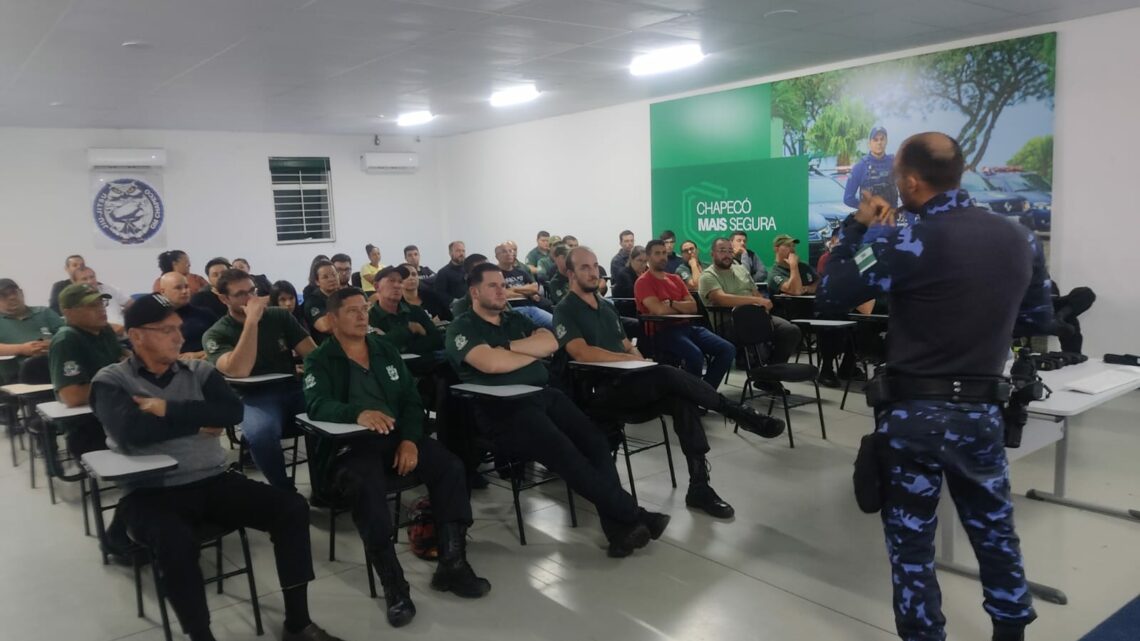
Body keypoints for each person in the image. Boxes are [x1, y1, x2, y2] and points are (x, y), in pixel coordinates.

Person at [817, 132, 1052, 641]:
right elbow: (1036, 316)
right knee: (994, 532)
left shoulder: (902, 239)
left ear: (909, 180)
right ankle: (1011, 631)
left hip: (913, 416)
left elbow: (833, 294)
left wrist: (859, 228)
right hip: (981, 413)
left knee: (912, 543)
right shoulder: (1021, 238)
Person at [90, 294, 347, 641]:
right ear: (137, 336)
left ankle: (298, 622)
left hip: (213, 480)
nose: (179, 338)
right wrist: (198, 417)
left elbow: (230, 414)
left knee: (291, 508)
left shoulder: (200, 370)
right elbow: (130, 433)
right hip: (151, 492)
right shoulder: (111, 380)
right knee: (175, 543)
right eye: (167, 330)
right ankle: (201, 635)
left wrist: (166, 409)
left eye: (178, 329)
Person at [445, 263, 669, 557]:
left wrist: (506, 348)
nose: (502, 290)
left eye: (503, 284)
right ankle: (633, 515)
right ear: (474, 292)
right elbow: (490, 364)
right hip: (504, 408)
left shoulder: (514, 318)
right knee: (567, 454)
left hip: (544, 395)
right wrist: (525, 351)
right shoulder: (461, 327)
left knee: (596, 444)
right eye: (493, 286)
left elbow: (550, 343)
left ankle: (620, 531)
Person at [304, 287, 489, 627]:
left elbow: (409, 400)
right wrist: (356, 412)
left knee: (450, 467)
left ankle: (453, 563)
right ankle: (394, 584)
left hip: (395, 439)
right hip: (352, 447)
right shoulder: (320, 359)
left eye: (365, 309)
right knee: (366, 486)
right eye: (353, 311)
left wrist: (410, 440)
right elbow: (316, 404)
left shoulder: (385, 349)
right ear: (332, 320)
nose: (363, 316)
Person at [555, 247, 784, 519]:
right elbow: (581, 352)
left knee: (681, 399)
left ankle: (699, 485)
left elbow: (628, 346)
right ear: (569, 273)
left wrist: (638, 361)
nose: (593, 272)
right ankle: (737, 412)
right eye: (584, 267)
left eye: (595, 266)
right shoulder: (565, 309)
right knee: (665, 373)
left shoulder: (605, 307)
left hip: (627, 384)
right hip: (597, 392)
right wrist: (629, 361)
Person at [203, 269, 316, 490]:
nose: (251, 299)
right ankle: (283, 490)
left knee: (333, 415)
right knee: (261, 434)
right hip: (252, 398)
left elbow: (313, 355)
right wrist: (251, 322)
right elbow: (239, 370)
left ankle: (326, 484)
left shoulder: (279, 316)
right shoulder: (216, 334)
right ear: (224, 299)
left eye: (252, 291)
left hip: (291, 388)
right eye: (241, 294)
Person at [635, 240, 735, 388]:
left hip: (688, 327)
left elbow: (693, 307)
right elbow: (659, 311)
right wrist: (681, 306)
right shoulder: (643, 282)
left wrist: (671, 303)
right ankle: (694, 397)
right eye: (657, 253)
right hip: (662, 331)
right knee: (695, 355)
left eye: (664, 253)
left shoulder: (675, 279)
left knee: (728, 349)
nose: (662, 257)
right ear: (648, 257)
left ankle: (704, 393)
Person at [698, 238, 802, 366]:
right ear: (712, 253)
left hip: (755, 316)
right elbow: (721, 299)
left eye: (730, 251)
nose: (727, 255)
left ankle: (771, 371)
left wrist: (761, 302)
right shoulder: (707, 275)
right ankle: (763, 371)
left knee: (790, 330)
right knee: (757, 335)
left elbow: (756, 292)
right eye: (722, 251)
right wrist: (756, 300)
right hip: (728, 322)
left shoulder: (741, 269)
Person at [368, 267, 443, 359]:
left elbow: (437, 340)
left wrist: (403, 346)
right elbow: (376, 348)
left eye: (400, 282)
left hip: (427, 366)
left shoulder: (415, 311)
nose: (397, 285)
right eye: (391, 281)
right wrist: (408, 329)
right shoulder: (369, 318)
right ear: (376, 286)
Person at [0, 278, 63, 385]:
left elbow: (68, 335)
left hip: (57, 370)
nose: (12, 297)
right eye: (4, 295)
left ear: (21, 293)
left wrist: (52, 344)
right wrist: (22, 349)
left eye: (14, 292)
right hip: (15, 378)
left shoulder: (44, 312)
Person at [158, 272, 217, 359]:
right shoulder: (155, 320)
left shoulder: (205, 315)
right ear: (163, 291)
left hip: (205, 363)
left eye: (186, 287)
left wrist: (198, 355)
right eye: (178, 288)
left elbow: (221, 344)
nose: (185, 291)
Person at [73, 267, 132, 335]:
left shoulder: (108, 289)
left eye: (92, 277)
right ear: (75, 283)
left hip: (126, 331)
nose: (90, 281)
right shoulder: (76, 299)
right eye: (84, 279)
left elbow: (132, 305)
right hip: (106, 335)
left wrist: (127, 315)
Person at [1050, 282, 1095, 355]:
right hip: (1031, 309)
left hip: (1054, 307)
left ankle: (1072, 356)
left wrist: (1061, 314)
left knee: (1087, 293)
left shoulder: (1048, 282)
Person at [303, 259, 341, 345]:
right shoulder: (313, 301)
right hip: (328, 348)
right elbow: (326, 326)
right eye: (325, 277)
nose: (332, 279)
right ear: (317, 282)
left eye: (334, 275)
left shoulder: (346, 295)